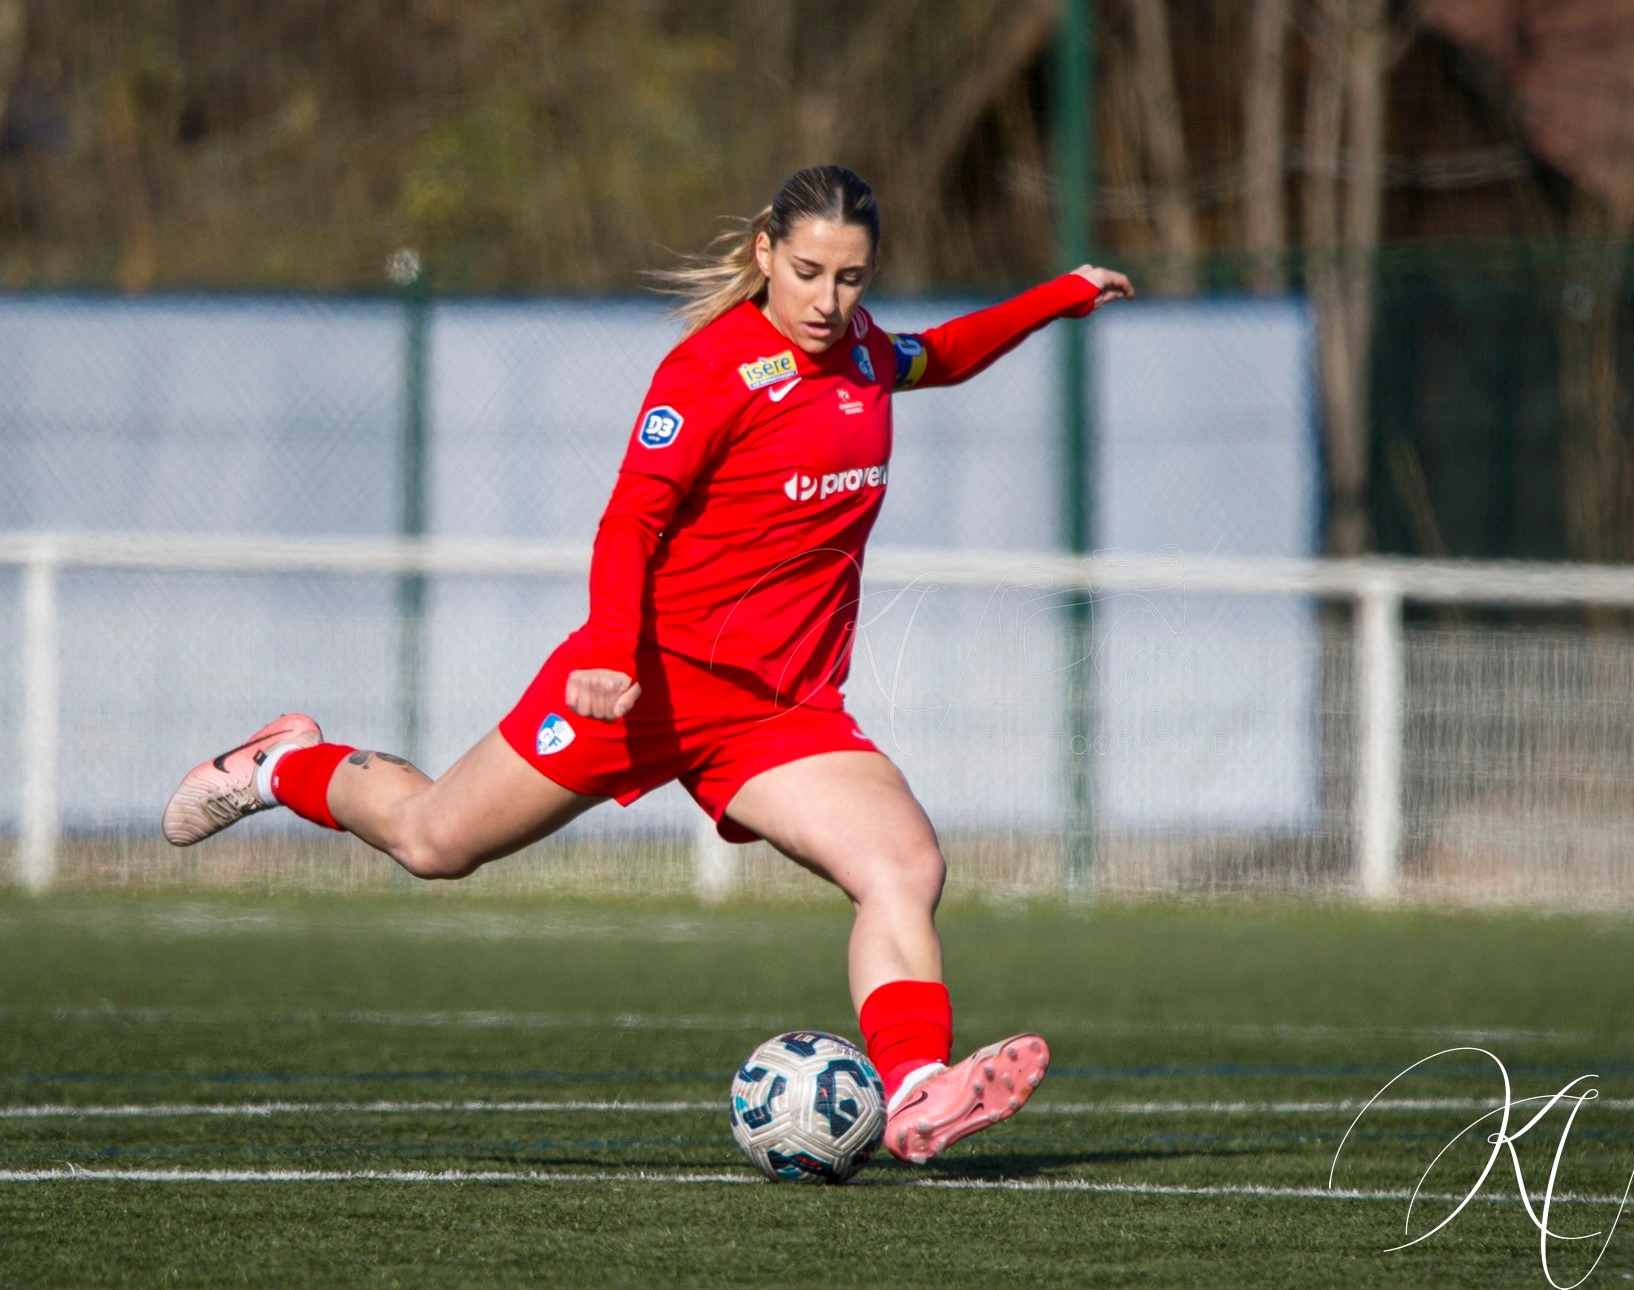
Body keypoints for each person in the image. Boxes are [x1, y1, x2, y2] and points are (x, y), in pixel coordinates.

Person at [161, 164, 1134, 1164]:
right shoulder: (712, 372)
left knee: (903, 865)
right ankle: (283, 764)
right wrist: (613, 648)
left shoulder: (865, 353)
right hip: (645, 681)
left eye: (851, 278)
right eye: (806, 272)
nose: (826, 300)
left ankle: (917, 1086)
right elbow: (630, 519)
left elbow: (944, 353)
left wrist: (1061, 294)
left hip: (777, 712)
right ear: (765, 254)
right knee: (432, 841)